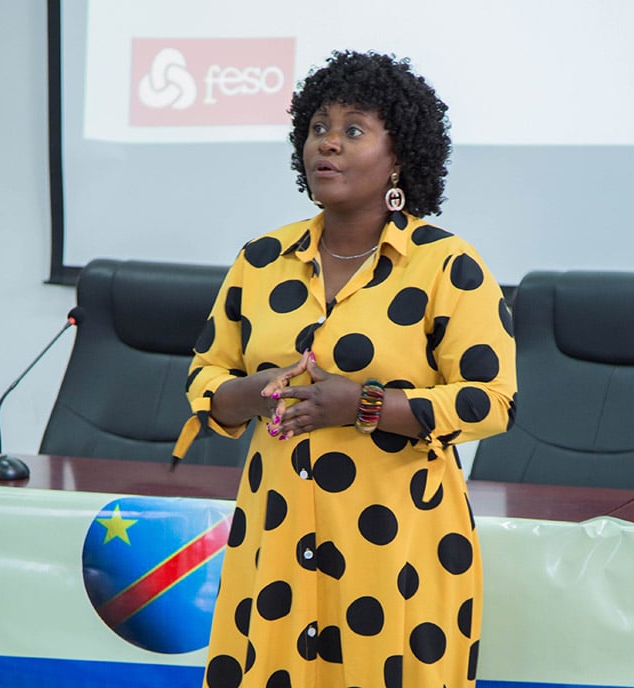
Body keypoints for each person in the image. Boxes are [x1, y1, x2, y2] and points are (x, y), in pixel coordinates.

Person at [174, 49, 517, 688]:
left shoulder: (445, 265)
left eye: (353, 130)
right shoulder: (261, 259)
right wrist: (252, 391)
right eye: (317, 128)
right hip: (273, 541)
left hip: (396, 548)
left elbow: (490, 401)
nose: (326, 145)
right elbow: (205, 382)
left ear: (399, 158)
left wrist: (364, 406)